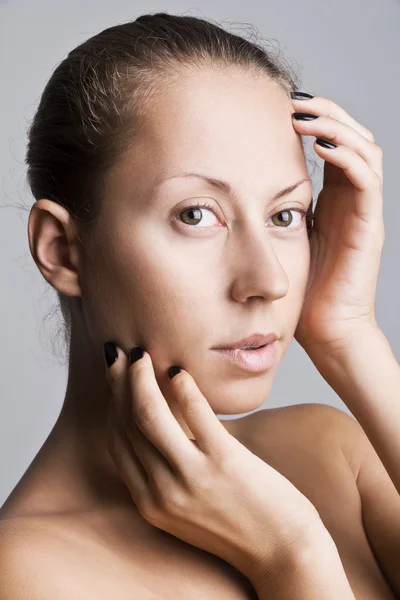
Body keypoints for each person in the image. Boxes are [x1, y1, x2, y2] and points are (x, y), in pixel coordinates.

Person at [1, 11, 398, 600]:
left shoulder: (333, 452)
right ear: (62, 249)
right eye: (196, 215)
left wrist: (349, 335)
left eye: (284, 215)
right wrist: (290, 555)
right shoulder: (27, 574)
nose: (268, 281)